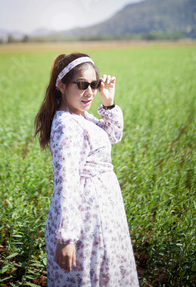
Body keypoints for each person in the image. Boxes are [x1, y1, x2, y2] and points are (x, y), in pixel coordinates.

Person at [34, 52, 139, 287]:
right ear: (61, 86)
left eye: (94, 84)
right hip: (86, 220)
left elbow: (113, 135)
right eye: (82, 85)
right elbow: (66, 183)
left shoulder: (81, 117)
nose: (89, 92)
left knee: (104, 273)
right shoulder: (66, 125)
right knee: (90, 277)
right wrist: (66, 238)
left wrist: (108, 102)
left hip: (103, 212)